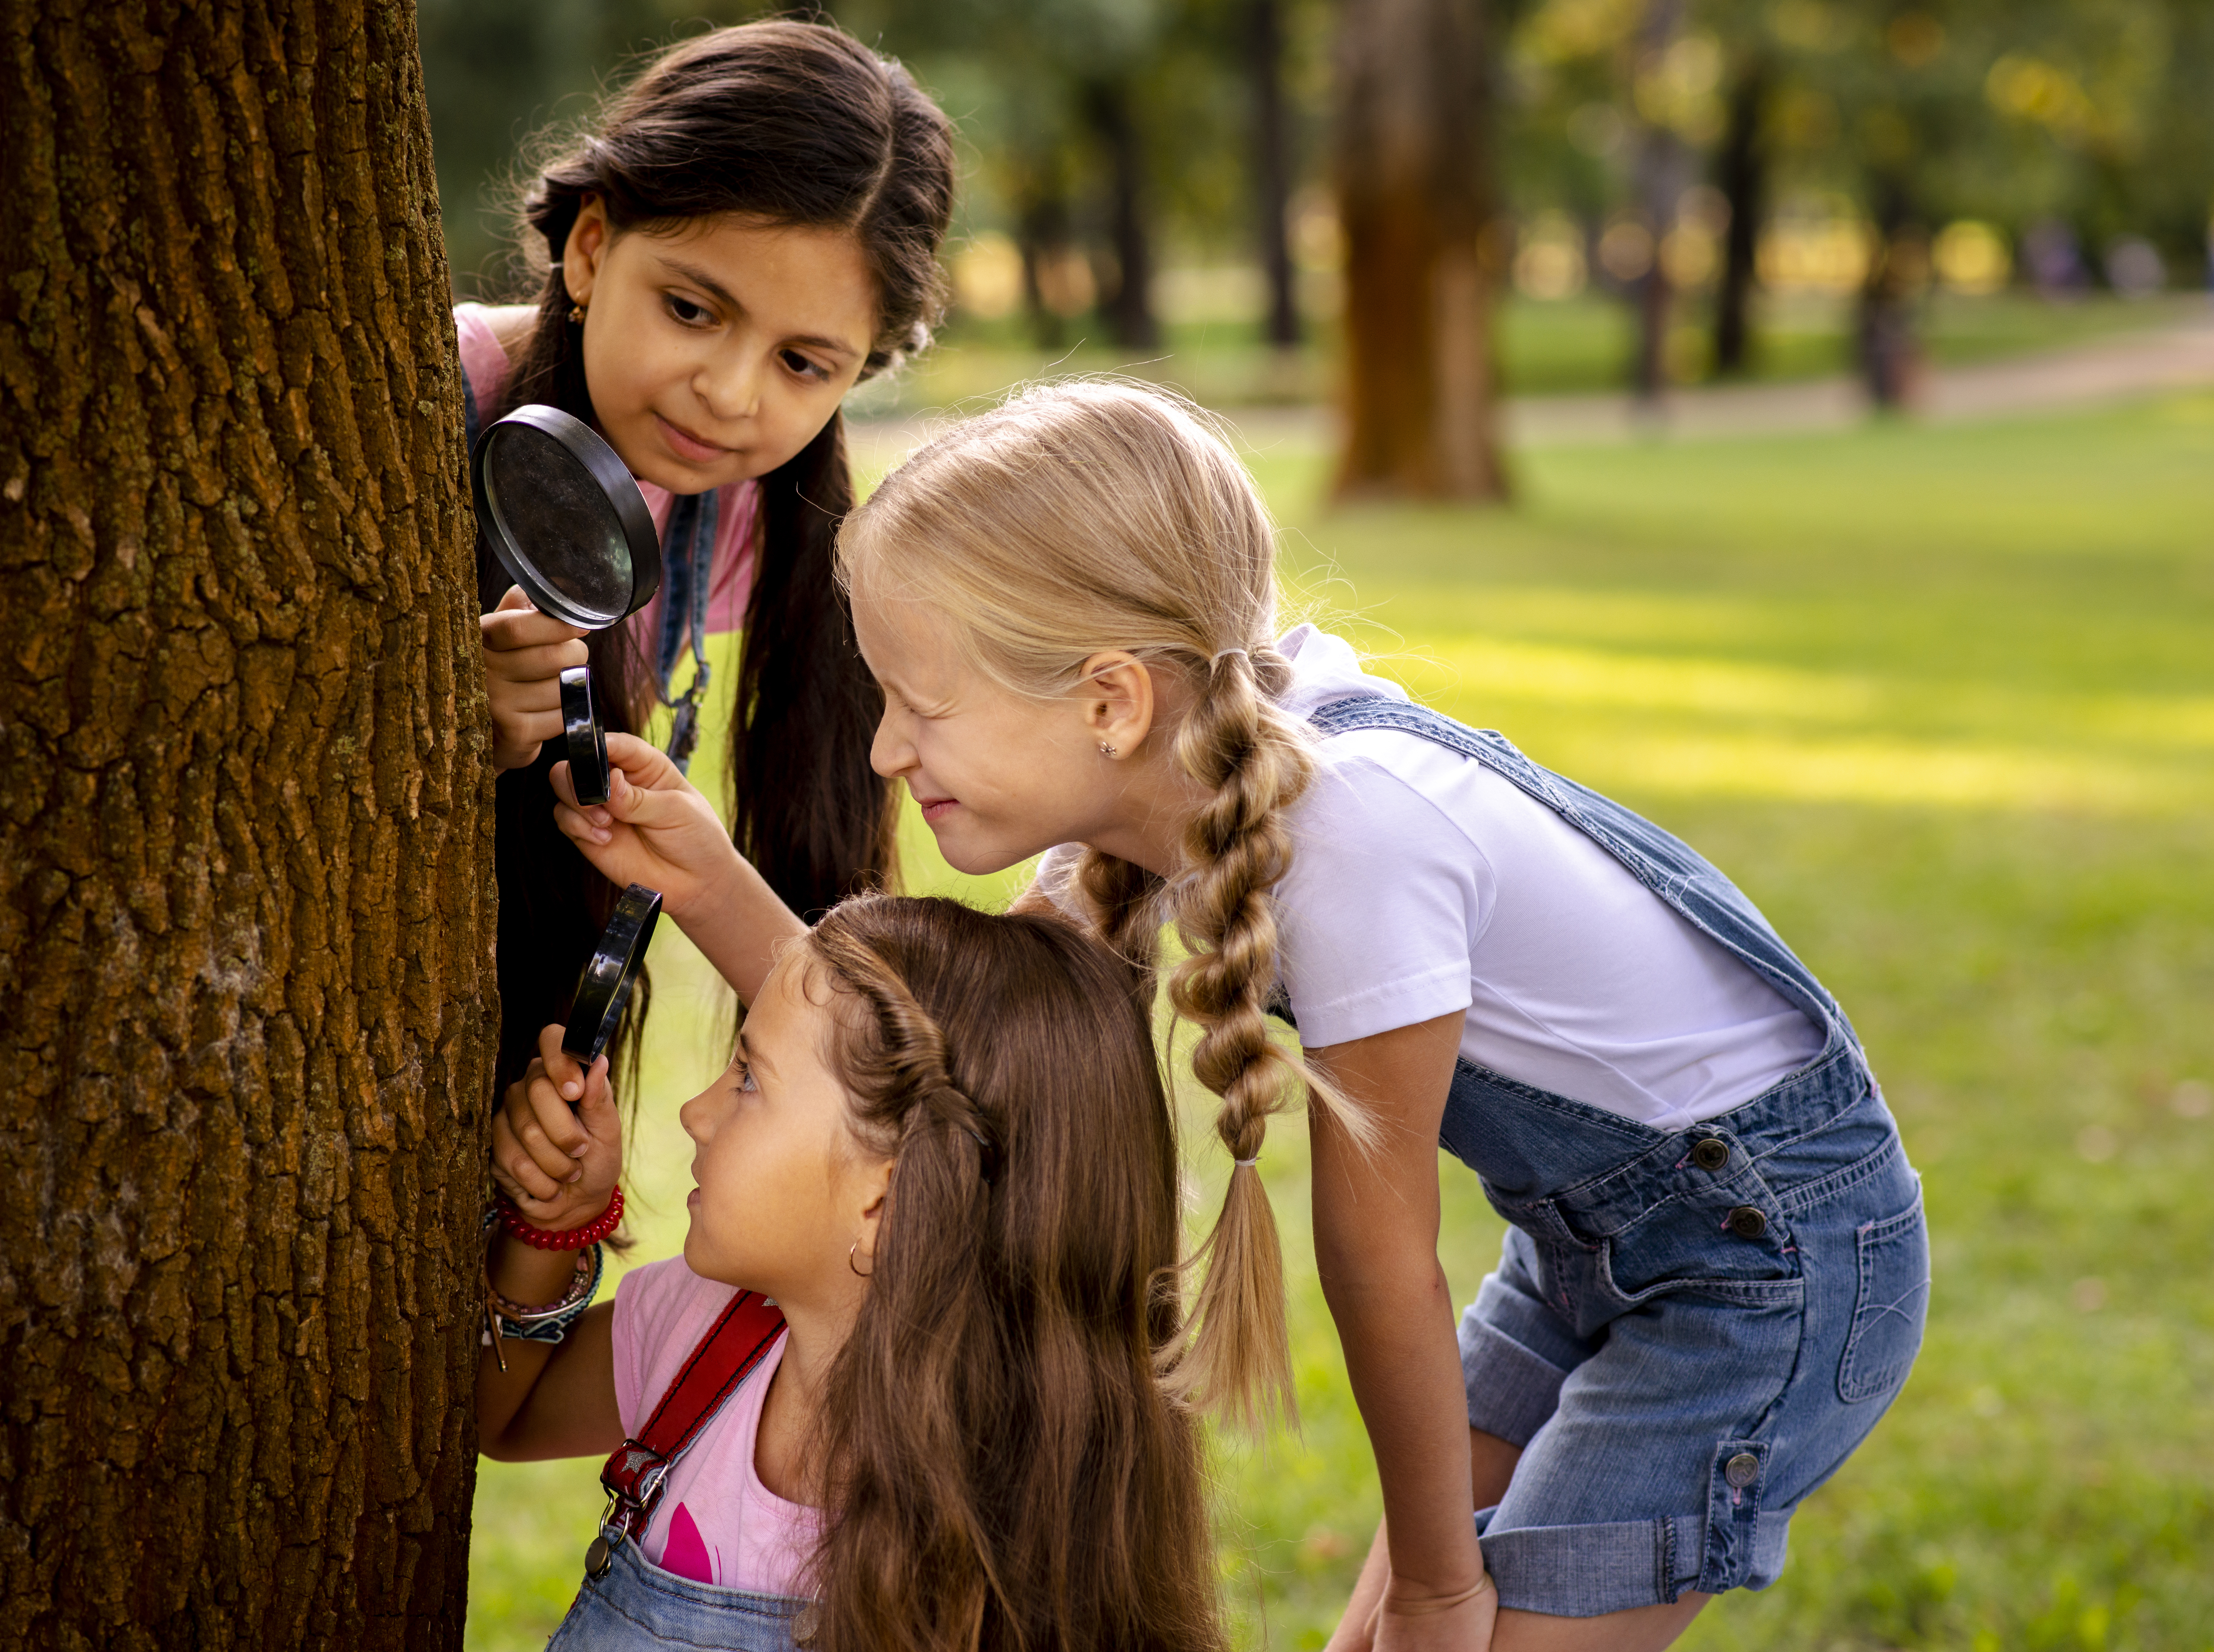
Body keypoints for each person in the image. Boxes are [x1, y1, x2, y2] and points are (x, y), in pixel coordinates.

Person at [554, 380, 1931, 1652]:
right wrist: (704, 876)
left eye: (920, 707)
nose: (885, 752)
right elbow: (908, 1077)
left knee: (1492, 1628)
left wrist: (1443, 1581)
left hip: (1766, 1263)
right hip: (1590, 1239)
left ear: (1108, 699)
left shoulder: (1354, 833)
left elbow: (1378, 1258)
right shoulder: (1178, 779)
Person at [475, 895, 1226, 1652]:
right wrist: (553, 1226)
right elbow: (504, 1412)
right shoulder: (706, 1331)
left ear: (885, 1196)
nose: (695, 1113)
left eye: (746, 1080)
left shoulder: (1014, 1523)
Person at [456, 20, 954, 1091]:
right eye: (692, 310)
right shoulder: (426, 409)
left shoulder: (741, 519)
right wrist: (453, 720)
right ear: (592, 247)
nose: (731, 396)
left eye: (803, 363)